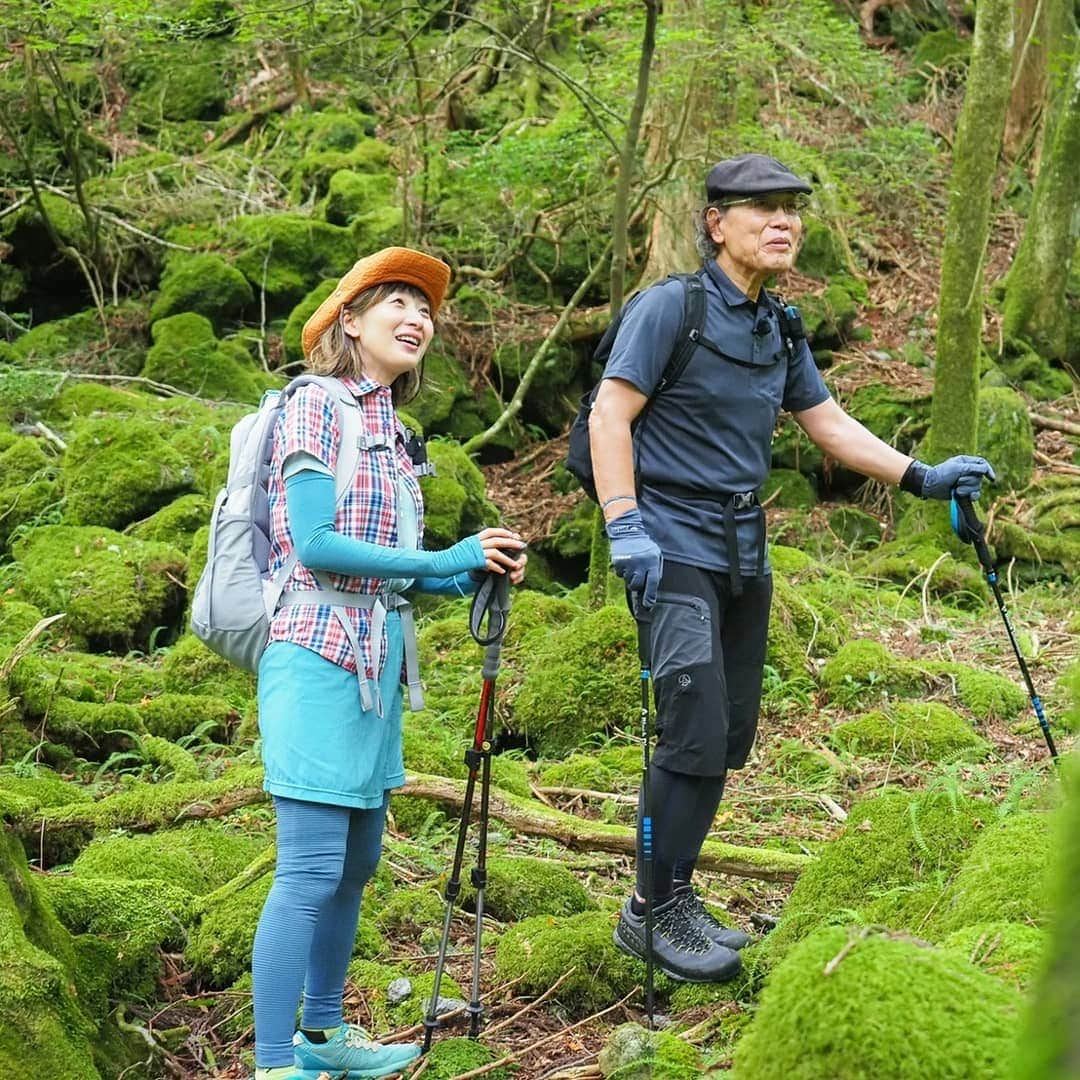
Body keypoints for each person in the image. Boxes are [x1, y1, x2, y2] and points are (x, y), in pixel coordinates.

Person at [588, 154, 995, 983]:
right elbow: (609, 414)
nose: (785, 222)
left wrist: (922, 477)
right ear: (715, 223)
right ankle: (651, 911)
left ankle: (676, 895)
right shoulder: (672, 309)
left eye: (793, 210)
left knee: (730, 736)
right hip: (668, 543)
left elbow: (828, 424)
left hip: (742, 548)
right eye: (763, 208)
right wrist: (624, 524)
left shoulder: (778, 325)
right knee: (692, 730)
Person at [250, 246, 527, 1080]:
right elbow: (318, 544)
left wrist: (465, 570)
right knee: (307, 868)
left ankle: (325, 1038)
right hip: (311, 657)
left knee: (358, 861)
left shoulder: (394, 432)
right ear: (350, 322)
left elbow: (391, 576)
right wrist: (445, 555)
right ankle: (272, 1064)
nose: (418, 318)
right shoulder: (317, 407)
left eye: (426, 309)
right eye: (396, 302)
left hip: (374, 663)